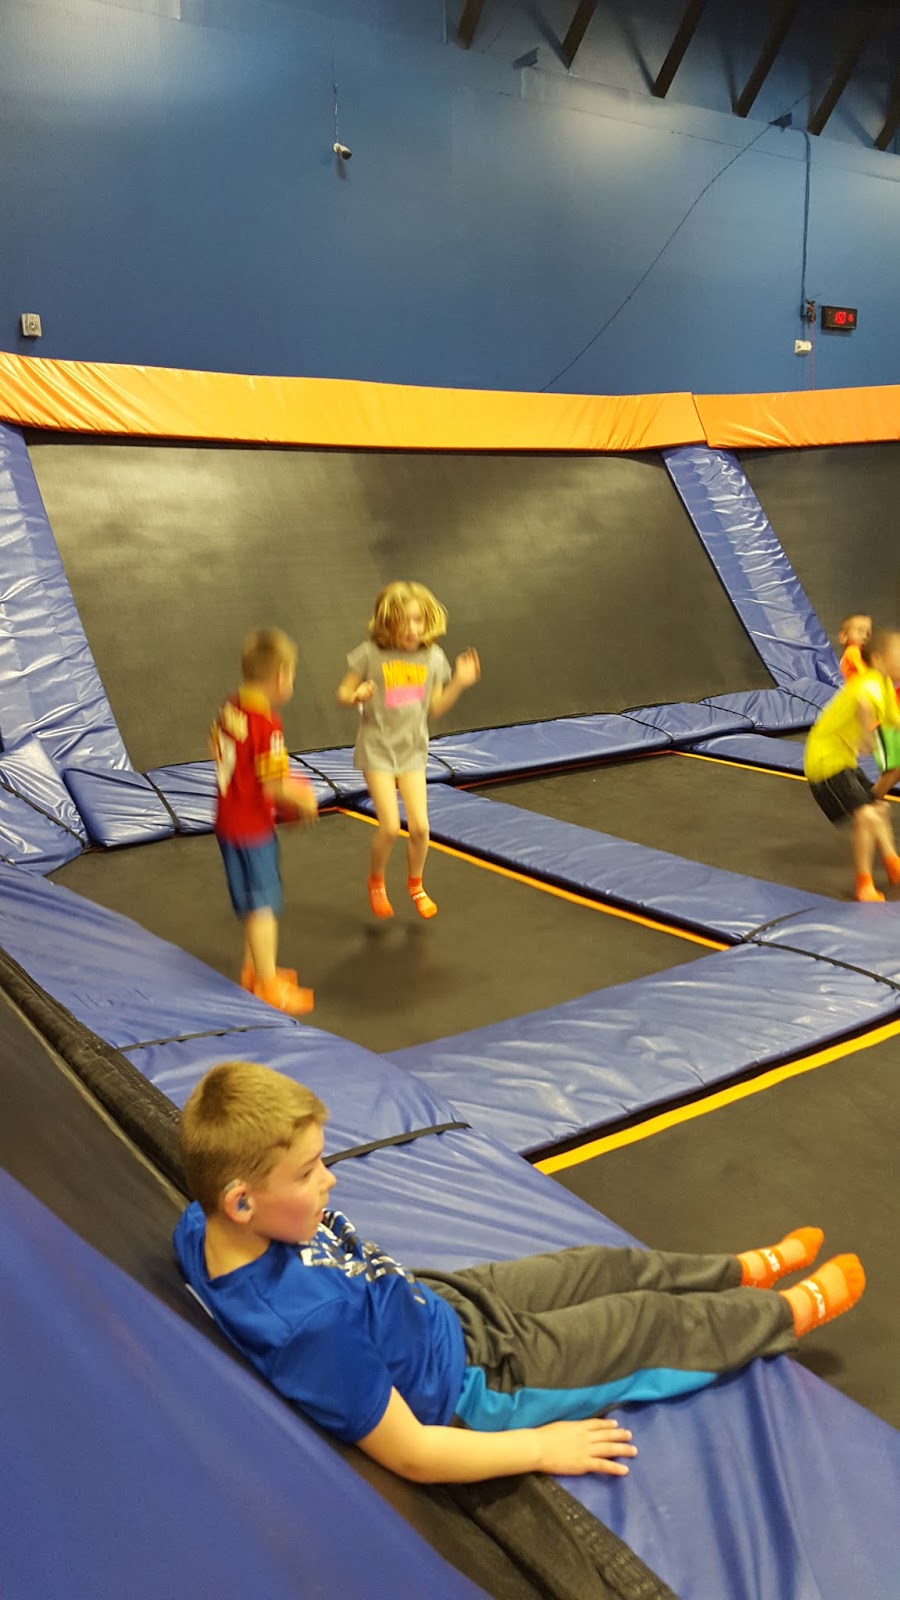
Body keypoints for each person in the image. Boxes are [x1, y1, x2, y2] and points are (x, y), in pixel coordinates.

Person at [174, 1061, 865, 1485]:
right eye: (308, 1172)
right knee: (642, 1324)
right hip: (477, 1381)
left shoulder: (204, 1225)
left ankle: (742, 1269)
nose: (329, 1179)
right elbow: (412, 1453)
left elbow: (205, 1211)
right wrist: (538, 1447)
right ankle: (787, 1312)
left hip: (441, 1304)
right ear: (243, 1202)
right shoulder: (309, 1328)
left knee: (601, 1265)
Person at [337, 581, 480, 920]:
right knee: (389, 826)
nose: (412, 629)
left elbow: (436, 707)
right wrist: (356, 695)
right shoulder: (370, 653)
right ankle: (376, 881)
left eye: (418, 620)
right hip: (377, 750)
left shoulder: (433, 657)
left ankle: (416, 884)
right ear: (387, 624)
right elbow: (342, 693)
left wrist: (459, 682)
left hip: (412, 752)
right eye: (403, 622)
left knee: (420, 828)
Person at [211, 629, 318, 1015]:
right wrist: (304, 800)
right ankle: (269, 985)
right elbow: (274, 786)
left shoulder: (232, 706)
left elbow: (224, 751)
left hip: (227, 820)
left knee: (250, 900)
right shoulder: (267, 724)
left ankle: (254, 971)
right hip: (253, 828)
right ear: (281, 676)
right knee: (263, 908)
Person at [805, 628, 900, 902]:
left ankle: (893, 863)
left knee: (879, 808)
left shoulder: (885, 686)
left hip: (843, 760)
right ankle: (864, 884)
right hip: (824, 763)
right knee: (867, 816)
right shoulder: (870, 684)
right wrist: (867, 736)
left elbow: (894, 723)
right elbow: (863, 704)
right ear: (879, 659)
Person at [837, 614, 872, 682]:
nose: (865, 637)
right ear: (844, 636)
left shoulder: (859, 654)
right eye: (860, 631)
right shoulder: (852, 651)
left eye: (868, 633)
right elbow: (864, 673)